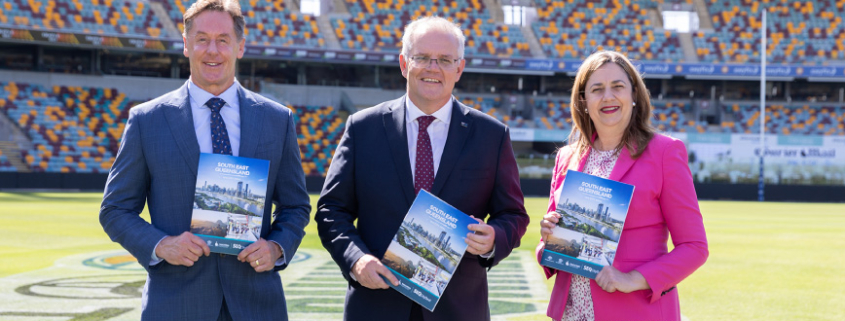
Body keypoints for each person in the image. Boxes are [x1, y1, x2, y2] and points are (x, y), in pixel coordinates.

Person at [98, 0, 311, 319]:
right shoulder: (147, 121)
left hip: (255, 304)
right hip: (177, 304)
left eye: (223, 40)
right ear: (186, 45)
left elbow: (295, 206)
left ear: (240, 46)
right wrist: (161, 245)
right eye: (202, 39)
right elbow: (115, 209)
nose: (213, 50)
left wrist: (276, 248)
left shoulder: (276, 120)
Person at [316, 16, 530, 321]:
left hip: (458, 309)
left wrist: (494, 237)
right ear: (404, 64)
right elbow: (331, 210)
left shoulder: (491, 135)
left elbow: (513, 214)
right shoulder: (363, 128)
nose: (433, 67)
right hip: (376, 305)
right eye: (422, 58)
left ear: (459, 68)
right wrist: (356, 259)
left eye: (445, 59)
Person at [537, 51, 708, 321]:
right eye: (596, 89)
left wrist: (633, 279)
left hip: (636, 311)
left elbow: (694, 247)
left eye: (617, 86)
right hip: (572, 313)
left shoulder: (664, 152)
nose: (608, 97)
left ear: (634, 96)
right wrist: (549, 236)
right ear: (583, 101)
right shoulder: (566, 157)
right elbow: (551, 248)